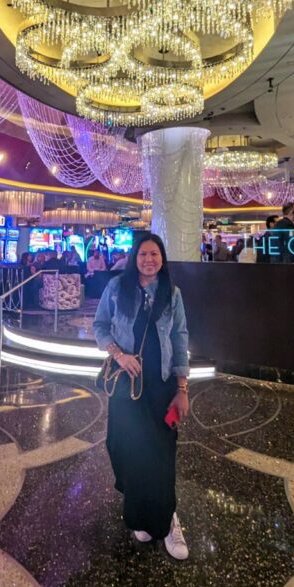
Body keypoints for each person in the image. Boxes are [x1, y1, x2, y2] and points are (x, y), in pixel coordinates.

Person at [93, 234, 190, 560]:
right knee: (126, 450)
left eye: (155, 253)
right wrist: (119, 355)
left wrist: (182, 389)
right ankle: (138, 514)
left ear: (162, 258)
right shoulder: (117, 288)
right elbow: (100, 326)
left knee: (161, 454)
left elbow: (179, 338)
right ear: (135, 257)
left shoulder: (171, 294)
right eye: (144, 253)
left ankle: (167, 520)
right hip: (125, 384)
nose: (150, 259)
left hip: (160, 386)